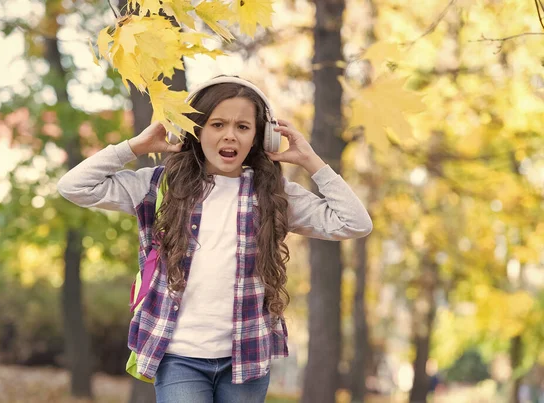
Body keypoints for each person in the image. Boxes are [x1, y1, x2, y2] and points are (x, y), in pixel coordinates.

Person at [57, 75, 373, 403]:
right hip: (179, 356)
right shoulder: (158, 185)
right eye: (217, 124)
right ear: (196, 130)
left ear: (260, 137)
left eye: (243, 127)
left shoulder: (273, 194)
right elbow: (74, 186)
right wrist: (134, 147)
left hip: (246, 356)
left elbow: (354, 223)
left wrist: (312, 161)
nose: (229, 136)